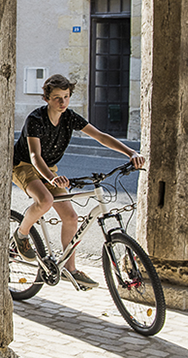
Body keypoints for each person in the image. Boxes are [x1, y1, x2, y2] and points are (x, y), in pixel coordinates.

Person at [11, 73, 145, 290]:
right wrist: (53, 178)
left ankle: (69, 268)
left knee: (72, 217)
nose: (62, 102)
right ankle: (22, 234)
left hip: (49, 169)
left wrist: (130, 152)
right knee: (44, 200)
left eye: (65, 97)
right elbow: (35, 156)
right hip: (24, 165)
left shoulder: (70, 117)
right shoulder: (35, 120)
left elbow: (100, 136)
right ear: (46, 99)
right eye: (56, 98)